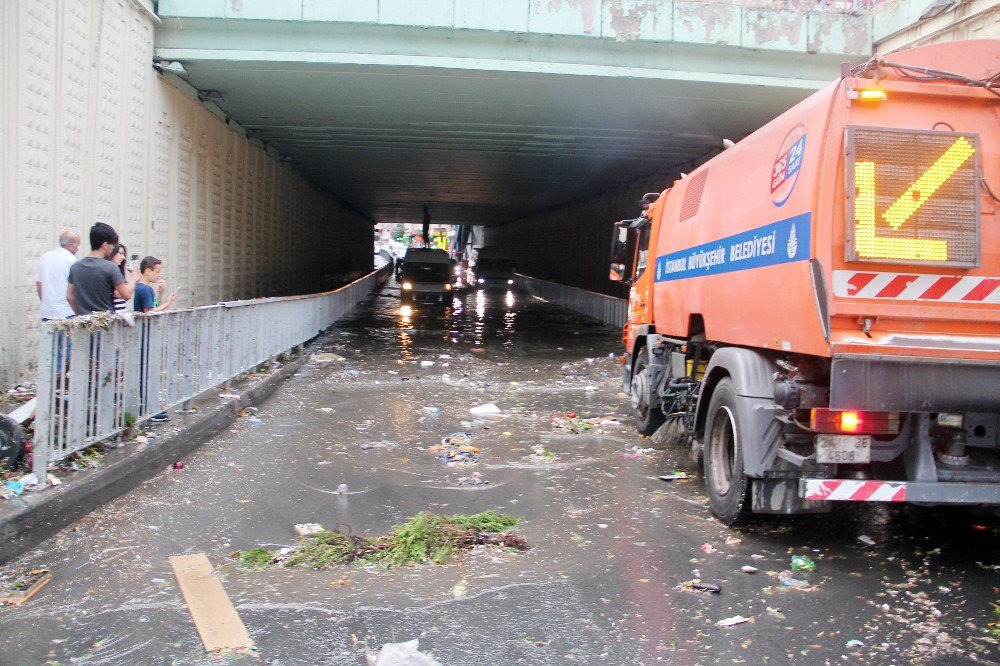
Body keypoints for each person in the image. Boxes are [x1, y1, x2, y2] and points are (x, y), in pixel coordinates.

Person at [133, 256, 178, 424]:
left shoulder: (142, 288)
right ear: (147, 270)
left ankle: (148, 407)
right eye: (157, 271)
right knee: (147, 372)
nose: (158, 275)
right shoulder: (145, 289)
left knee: (146, 371)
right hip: (145, 333)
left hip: (143, 333)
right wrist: (168, 302)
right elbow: (150, 311)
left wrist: (161, 293)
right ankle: (148, 409)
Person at [67, 223, 138, 316]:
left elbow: (69, 296)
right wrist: (134, 276)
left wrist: (80, 315)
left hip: (83, 324)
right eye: (112, 245)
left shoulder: (75, 267)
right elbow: (126, 295)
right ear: (104, 245)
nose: (113, 248)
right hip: (106, 324)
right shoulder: (110, 267)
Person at [35, 231, 80, 321]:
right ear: (71, 245)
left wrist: (47, 305)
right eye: (78, 245)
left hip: (47, 314)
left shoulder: (44, 258)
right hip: (67, 313)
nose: (78, 248)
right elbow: (76, 290)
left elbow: (39, 285)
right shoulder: (72, 261)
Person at [109, 243, 130, 314]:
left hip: (121, 315)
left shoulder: (119, 272)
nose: (123, 257)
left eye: (123, 254)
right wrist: (134, 276)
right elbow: (122, 294)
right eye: (120, 253)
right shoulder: (110, 272)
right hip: (115, 315)